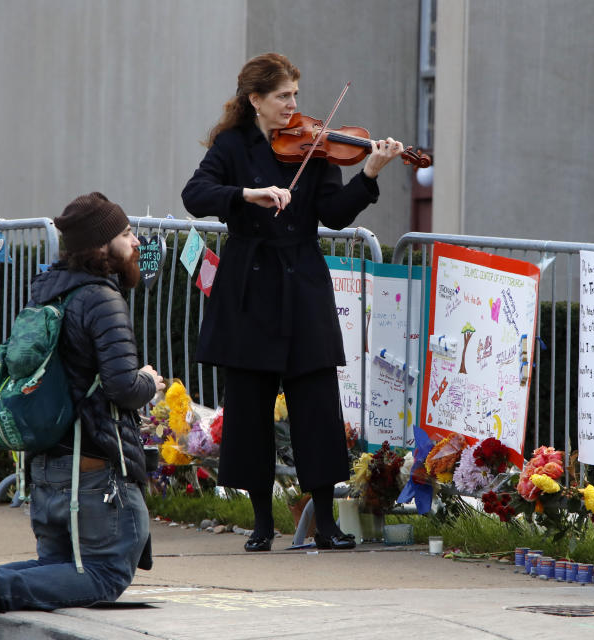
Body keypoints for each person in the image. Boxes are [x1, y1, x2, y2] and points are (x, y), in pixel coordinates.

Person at [181, 52, 405, 552]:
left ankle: (325, 522)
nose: (294, 106)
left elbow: (334, 215)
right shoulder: (232, 145)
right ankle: (262, 521)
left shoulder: (318, 147)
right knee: (249, 405)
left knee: (317, 403)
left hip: (302, 280)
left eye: (296, 95)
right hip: (249, 284)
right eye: (283, 96)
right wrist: (247, 194)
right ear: (255, 99)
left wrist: (368, 174)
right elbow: (195, 194)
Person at [0, 193, 165, 640]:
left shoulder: (48, 291)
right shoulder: (102, 300)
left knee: (57, 569)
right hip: (91, 474)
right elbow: (121, 388)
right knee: (105, 575)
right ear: (100, 246)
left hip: (51, 470)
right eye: (126, 234)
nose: (135, 244)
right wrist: (150, 380)